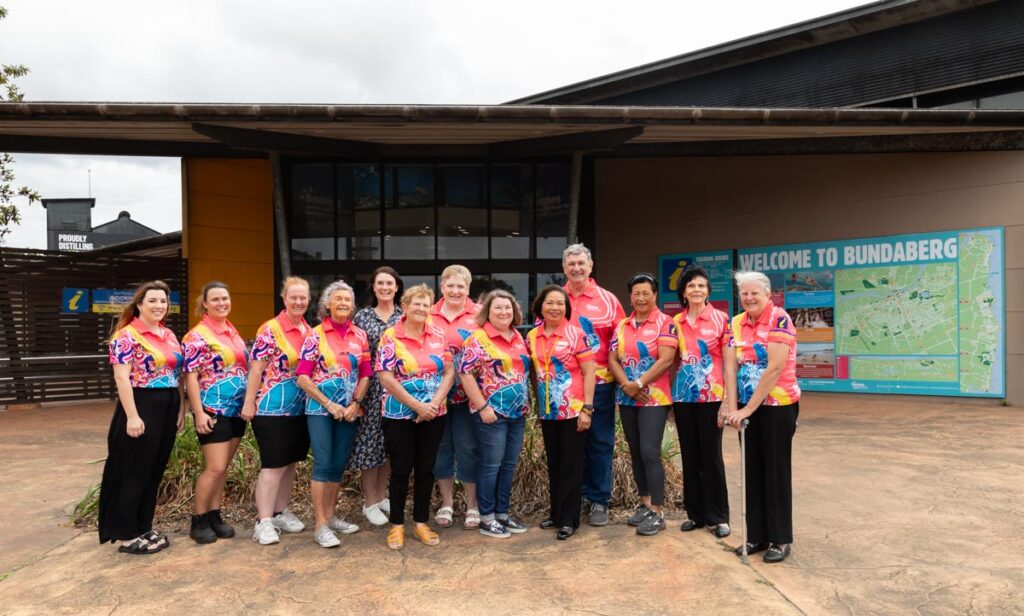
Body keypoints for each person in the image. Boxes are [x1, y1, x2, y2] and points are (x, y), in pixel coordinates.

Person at [99, 280, 185, 554]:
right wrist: (132, 416)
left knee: (153, 468)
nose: (159, 306)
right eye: (152, 301)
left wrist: (181, 408)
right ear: (139, 304)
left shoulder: (168, 334)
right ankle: (126, 533)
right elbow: (121, 377)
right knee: (133, 470)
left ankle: (142, 526)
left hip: (168, 403)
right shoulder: (126, 336)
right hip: (140, 403)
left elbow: (177, 375)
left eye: (163, 301)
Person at [722, 271, 801, 564]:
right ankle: (756, 535)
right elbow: (730, 367)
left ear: (768, 295)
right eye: (744, 293)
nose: (749, 298)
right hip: (746, 406)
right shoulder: (736, 323)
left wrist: (747, 409)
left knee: (775, 471)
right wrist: (733, 408)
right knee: (751, 469)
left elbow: (775, 368)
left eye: (755, 293)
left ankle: (780, 538)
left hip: (777, 406)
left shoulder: (780, 320)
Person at [377, 284, 455, 550]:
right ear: (405, 307)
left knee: (425, 470)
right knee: (400, 470)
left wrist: (432, 404)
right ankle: (396, 525)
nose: (421, 309)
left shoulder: (437, 334)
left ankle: (421, 522)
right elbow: (385, 376)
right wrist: (415, 405)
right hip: (399, 415)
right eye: (416, 304)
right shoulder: (391, 336)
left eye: (426, 304)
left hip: (434, 413)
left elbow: (448, 372)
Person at [296, 280, 371, 548]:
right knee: (323, 464)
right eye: (337, 299)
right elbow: (302, 377)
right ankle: (320, 525)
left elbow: (365, 374)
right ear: (327, 304)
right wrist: (329, 404)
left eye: (347, 300)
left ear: (353, 306)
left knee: (338, 465)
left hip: (349, 412)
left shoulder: (359, 335)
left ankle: (330, 516)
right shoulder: (315, 335)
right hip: (320, 410)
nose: (342, 303)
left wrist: (355, 403)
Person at [242, 276, 311, 545]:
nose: (298, 301)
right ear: (284, 299)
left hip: (300, 409)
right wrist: (249, 402)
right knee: (272, 465)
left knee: (290, 463)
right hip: (271, 409)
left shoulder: (308, 330)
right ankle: (264, 520)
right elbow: (256, 368)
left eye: (303, 297)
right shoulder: (270, 330)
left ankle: (280, 512)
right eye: (293, 297)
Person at [607, 273, 677, 536]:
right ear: (630, 297)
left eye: (646, 292)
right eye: (636, 293)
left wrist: (638, 383)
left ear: (655, 295)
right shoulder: (623, 325)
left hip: (654, 398)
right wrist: (627, 385)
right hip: (627, 397)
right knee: (636, 452)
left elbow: (666, 359)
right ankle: (645, 503)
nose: (641, 297)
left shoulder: (666, 323)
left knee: (649, 452)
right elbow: (612, 358)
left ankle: (658, 511)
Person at [458, 290, 530, 539]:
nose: (504, 312)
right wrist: (482, 407)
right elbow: (465, 373)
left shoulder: (518, 336)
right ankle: (486, 517)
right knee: (491, 465)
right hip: (491, 413)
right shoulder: (478, 339)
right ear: (488, 311)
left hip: (517, 413)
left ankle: (502, 513)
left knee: (508, 466)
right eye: (498, 308)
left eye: (508, 308)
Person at [562, 243, 624, 526]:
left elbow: (621, 342)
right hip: (563, 386)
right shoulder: (554, 298)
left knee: (599, 442)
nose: (576, 268)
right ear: (564, 267)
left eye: (581, 263)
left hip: (600, 384)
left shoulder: (608, 300)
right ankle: (573, 499)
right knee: (570, 445)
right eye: (571, 263)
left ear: (590, 266)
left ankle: (599, 500)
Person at [527, 285, 596, 541]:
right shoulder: (532, 336)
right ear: (540, 306)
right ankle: (556, 513)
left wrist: (587, 408)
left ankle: (569, 519)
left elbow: (590, 372)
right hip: (548, 412)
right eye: (549, 303)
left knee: (571, 464)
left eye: (560, 303)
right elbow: (535, 372)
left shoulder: (577, 334)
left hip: (573, 410)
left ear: (566, 308)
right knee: (554, 463)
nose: (554, 307)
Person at [182, 281, 249, 544]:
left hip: (235, 410)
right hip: (213, 409)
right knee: (215, 467)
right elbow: (191, 377)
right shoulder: (197, 336)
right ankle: (198, 519)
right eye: (216, 299)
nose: (222, 303)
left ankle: (214, 515)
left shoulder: (231, 331)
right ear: (205, 304)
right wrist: (198, 412)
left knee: (224, 469)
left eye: (225, 298)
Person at [670, 267, 732, 539]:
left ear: (708, 291)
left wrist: (727, 402)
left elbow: (730, 363)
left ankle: (718, 516)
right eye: (691, 285)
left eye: (701, 286)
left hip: (712, 397)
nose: (696, 290)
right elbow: (672, 361)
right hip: (684, 397)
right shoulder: (675, 322)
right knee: (690, 455)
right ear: (683, 292)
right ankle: (694, 514)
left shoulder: (721, 319)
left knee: (712, 457)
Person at [430, 265, 481, 530]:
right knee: (442, 450)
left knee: (468, 448)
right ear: (442, 287)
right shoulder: (428, 314)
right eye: (450, 285)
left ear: (468, 288)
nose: (455, 290)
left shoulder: (479, 314)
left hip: (468, 396)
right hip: (434, 396)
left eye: (461, 286)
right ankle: (447, 503)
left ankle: (473, 504)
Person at [351, 266, 402, 527]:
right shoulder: (362, 318)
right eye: (380, 283)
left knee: (390, 446)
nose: (384, 287)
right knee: (370, 447)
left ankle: (382, 497)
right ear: (373, 286)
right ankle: (369, 501)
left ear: (396, 287)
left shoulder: (404, 317)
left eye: (389, 283)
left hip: (398, 391)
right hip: (370, 391)